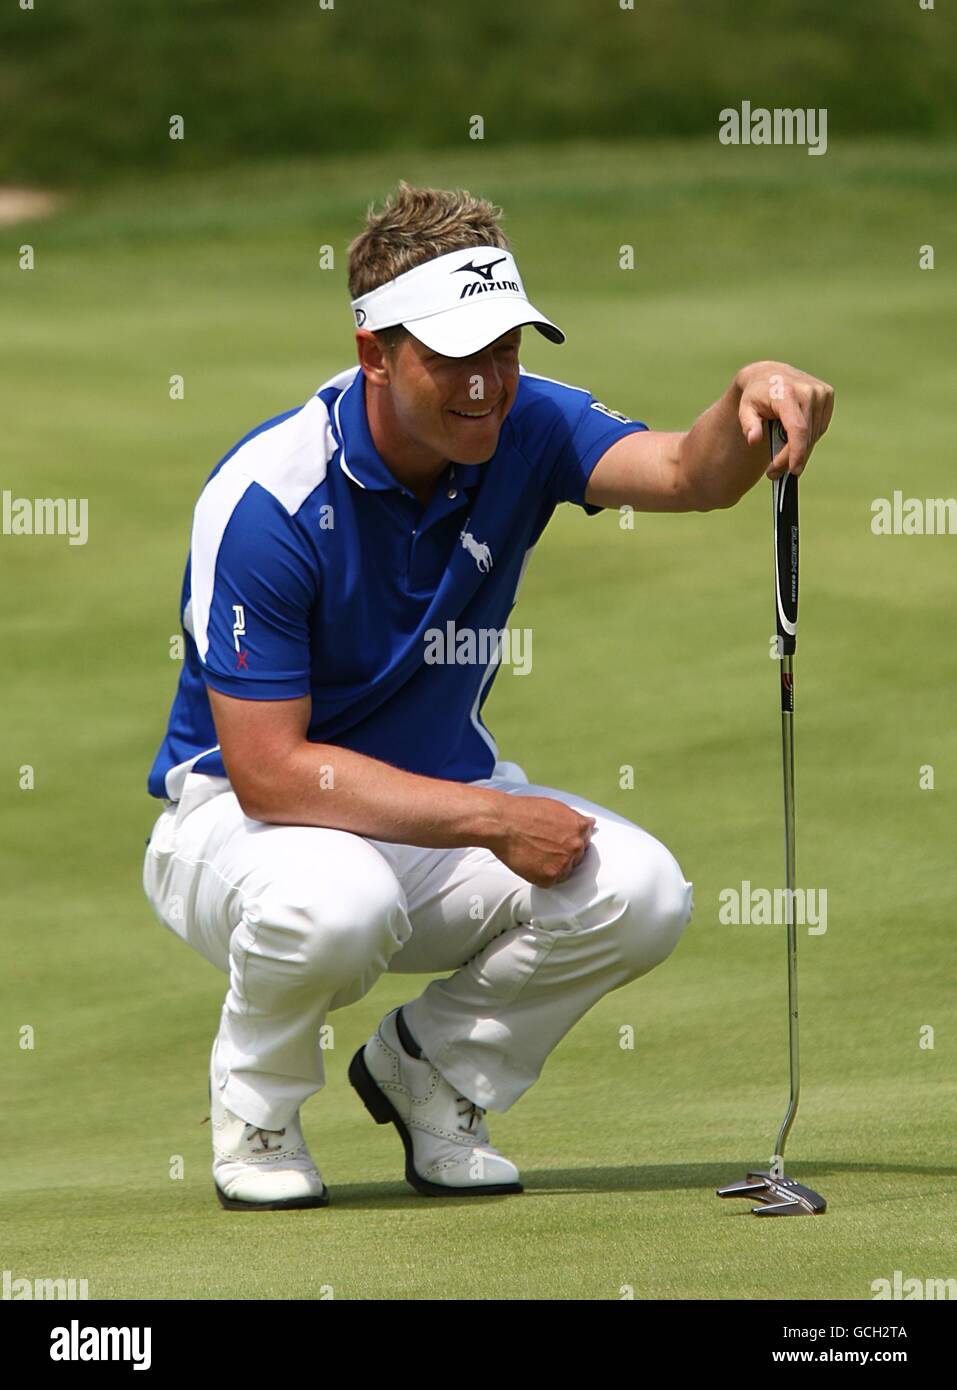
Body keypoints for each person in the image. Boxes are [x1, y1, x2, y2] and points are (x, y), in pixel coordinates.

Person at [142, 180, 833, 1210]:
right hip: (237, 829)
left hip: (427, 821)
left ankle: (433, 1072)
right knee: (338, 900)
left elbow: (691, 473)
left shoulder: (526, 426)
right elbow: (270, 773)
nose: (488, 384)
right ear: (375, 351)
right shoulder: (268, 500)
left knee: (638, 891)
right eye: (454, 356)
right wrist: (493, 814)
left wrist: (748, 400)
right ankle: (257, 1112)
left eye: (506, 349)